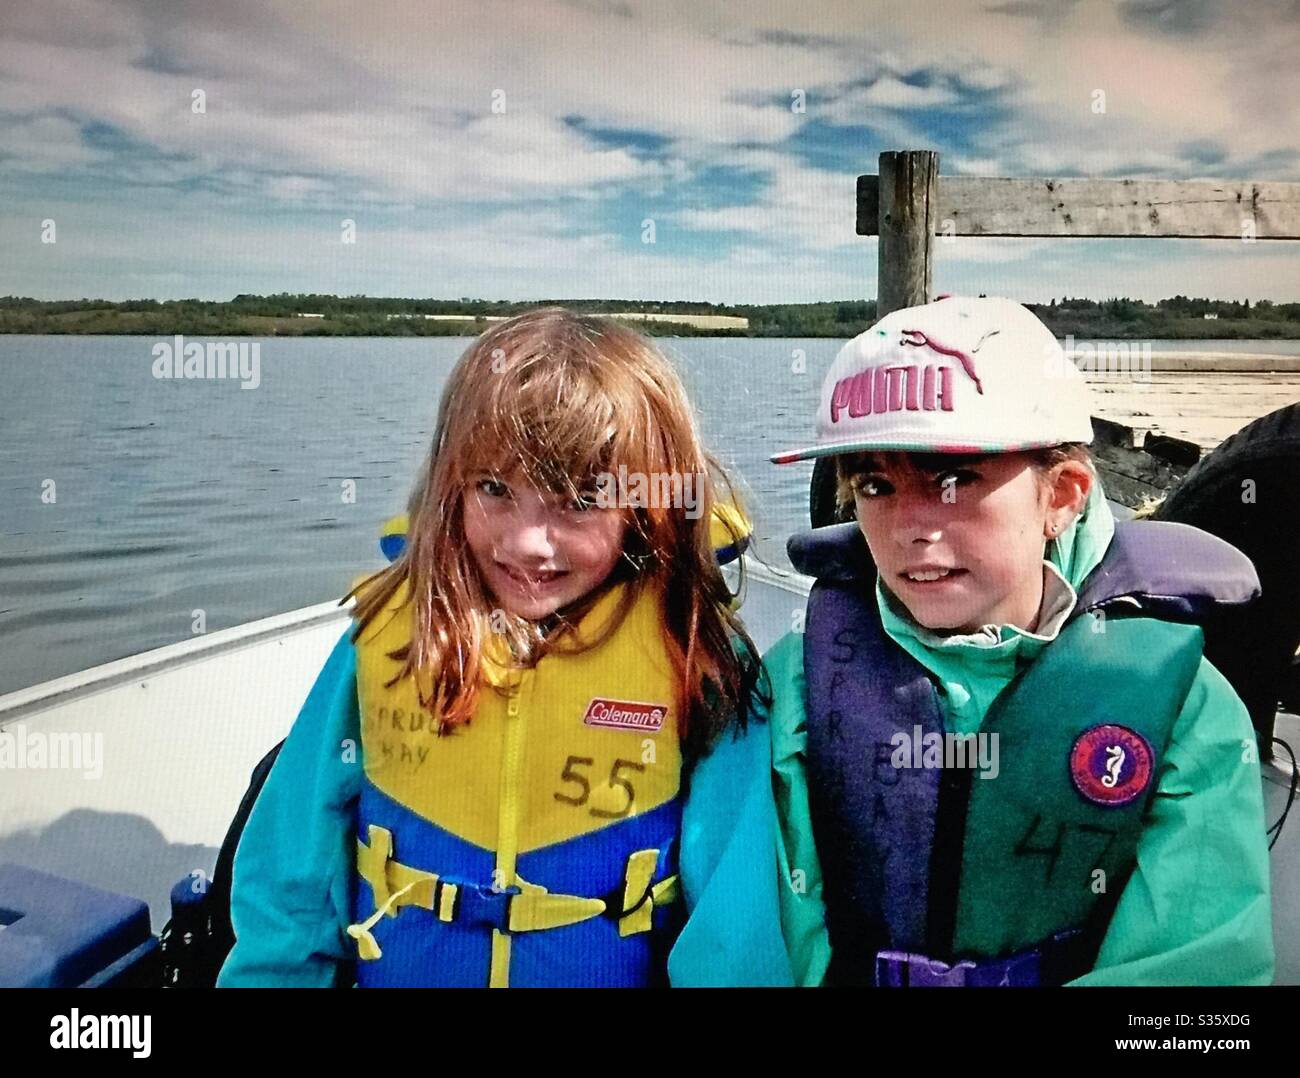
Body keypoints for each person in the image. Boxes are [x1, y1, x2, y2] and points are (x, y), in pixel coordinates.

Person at [672, 295, 1274, 987]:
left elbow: (1192, 969)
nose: (911, 528)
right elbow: (745, 940)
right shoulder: (798, 686)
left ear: (1064, 494)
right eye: (876, 484)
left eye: (955, 480)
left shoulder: (1181, 708)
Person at [218, 307, 763, 987]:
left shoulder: (695, 656)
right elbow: (288, 876)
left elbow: (737, 928)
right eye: (495, 490)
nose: (528, 542)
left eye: (581, 500)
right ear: (453, 486)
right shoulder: (386, 637)